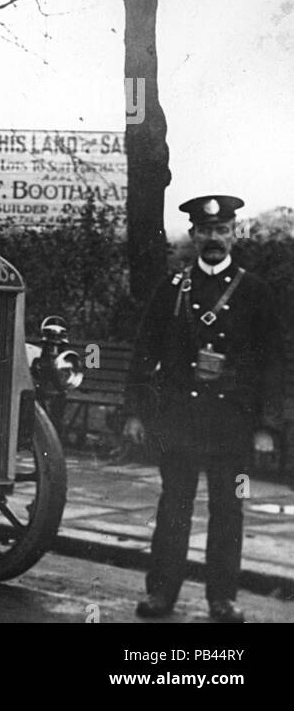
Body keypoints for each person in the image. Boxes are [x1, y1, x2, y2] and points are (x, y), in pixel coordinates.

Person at [125, 194, 285, 623]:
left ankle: (223, 598)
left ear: (234, 234)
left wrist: (267, 425)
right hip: (180, 423)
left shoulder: (255, 291)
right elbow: (145, 350)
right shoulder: (173, 288)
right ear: (194, 235)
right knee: (174, 505)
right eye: (206, 231)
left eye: (222, 230)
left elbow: (273, 362)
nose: (214, 238)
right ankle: (161, 594)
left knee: (229, 509)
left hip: (234, 426)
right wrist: (137, 411)